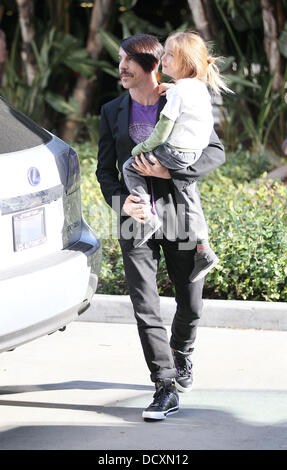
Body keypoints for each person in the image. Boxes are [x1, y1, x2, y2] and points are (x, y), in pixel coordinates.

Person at [96, 33, 226, 420]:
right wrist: (124, 203)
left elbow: (214, 151)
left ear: (153, 64)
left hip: (179, 212)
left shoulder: (182, 99)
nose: (120, 67)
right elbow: (105, 171)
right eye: (119, 59)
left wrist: (172, 169)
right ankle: (164, 385)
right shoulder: (111, 110)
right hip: (136, 220)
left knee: (192, 303)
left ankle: (181, 352)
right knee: (145, 305)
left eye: (127, 61)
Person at [122, 31, 230, 282]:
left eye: (170, 55)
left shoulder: (178, 94)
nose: (164, 59)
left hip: (174, 172)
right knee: (189, 190)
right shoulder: (196, 89)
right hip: (190, 154)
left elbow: (161, 133)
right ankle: (204, 246)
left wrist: (146, 152)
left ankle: (147, 217)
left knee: (131, 165)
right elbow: (103, 170)